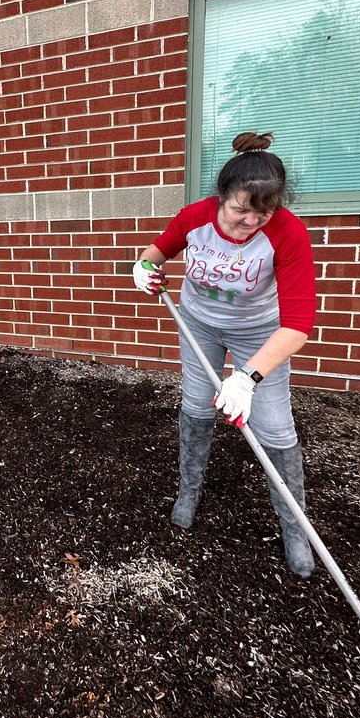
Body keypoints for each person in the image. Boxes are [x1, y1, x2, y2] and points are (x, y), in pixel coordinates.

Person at [132, 132, 317, 578]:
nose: (248, 223)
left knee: (274, 427)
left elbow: (297, 326)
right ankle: (189, 490)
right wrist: (143, 269)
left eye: (261, 213)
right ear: (221, 198)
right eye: (239, 210)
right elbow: (154, 255)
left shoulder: (288, 233)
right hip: (199, 326)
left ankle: (294, 527)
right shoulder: (194, 217)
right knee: (196, 406)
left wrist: (246, 378)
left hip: (261, 335)